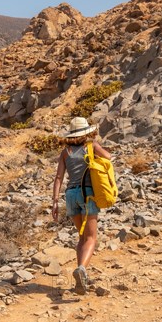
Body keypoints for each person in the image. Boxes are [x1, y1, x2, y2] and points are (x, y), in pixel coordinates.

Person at [52, 117, 111, 295]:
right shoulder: (92, 146)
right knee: (91, 238)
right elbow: (108, 157)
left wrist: (55, 201)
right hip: (88, 194)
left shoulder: (65, 152)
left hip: (70, 195)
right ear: (86, 132)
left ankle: (81, 277)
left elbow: (58, 178)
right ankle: (82, 270)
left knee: (81, 237)